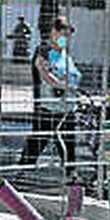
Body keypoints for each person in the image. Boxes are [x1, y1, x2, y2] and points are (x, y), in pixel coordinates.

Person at [18, 16, 82, 181]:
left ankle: (71, 173)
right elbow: (44, 73)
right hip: (48, 106)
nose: (66, 38)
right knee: (39, 139)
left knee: (68, 141)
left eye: (68, 35)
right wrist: (63, 86)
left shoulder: (65, 55)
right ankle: (23, 169)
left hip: (67, 107)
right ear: (54, 32)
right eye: (63, 33)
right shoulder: (44, 51)